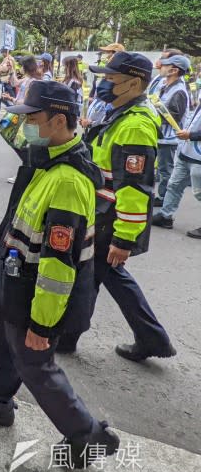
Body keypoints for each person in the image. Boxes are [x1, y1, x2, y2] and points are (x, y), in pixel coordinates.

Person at [0, 80, 120, 469]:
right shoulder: (48, 157)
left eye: (32, 118)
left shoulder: (67, 180)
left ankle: (87, 435)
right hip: (16, 279)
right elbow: (12, 132)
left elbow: (59, 264)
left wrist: (43, 324)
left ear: (58, 121)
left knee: (35, 362)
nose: (25, 125)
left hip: (35, 291)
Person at [62, 52, 177, 361]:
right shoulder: (121, 114)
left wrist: (124, 238)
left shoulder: (136, 126)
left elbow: (135, 188)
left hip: (109, 217)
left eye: (110, 80)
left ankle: (68, 337)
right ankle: (152, 338)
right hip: (101, 212)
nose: (103, 85)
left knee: (89, 276)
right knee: (108, 275)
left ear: (133, 83)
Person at [151, 98, 201, 237]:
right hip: (186, 152)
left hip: (198, 156)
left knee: (199, 193)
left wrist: (191, 135)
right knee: (173, 186)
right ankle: (165, 216)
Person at [152, 54, 191, 207]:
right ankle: (161, 196)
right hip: (162, 137)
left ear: (173, 70)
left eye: (165, 65)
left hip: (169, 139)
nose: (161, 66)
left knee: (165, 170)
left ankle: (163, 198)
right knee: (162, 169)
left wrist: (155, 112)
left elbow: (174, 116)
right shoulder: (166, 85)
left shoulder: (179, 91)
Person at [0, 47, 16, 120]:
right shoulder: (5, 59)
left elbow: (4, 69)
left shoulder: (9, 59)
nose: (1, 54)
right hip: (3, 82)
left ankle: (14, 112)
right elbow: (1, 69)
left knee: (7, 99)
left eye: (2, 52)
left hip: (7, 82)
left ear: (5, 52)